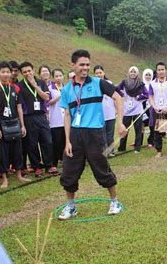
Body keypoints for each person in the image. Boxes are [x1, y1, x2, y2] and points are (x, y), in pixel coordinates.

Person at [58, 49, 127, 220]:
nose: (85, 68)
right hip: (75, 135)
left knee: (102, 169)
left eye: (88, 64)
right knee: (69, 172)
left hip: (96, 135)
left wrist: (120, 122)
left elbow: (118, 98)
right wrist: (67, 141)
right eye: (82, 65)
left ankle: (114, 202)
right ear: (73, 65)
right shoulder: (67, 89)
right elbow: (67, 116)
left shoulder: (98, 83)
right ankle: (71, 207)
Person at [0, 61, 30, 189]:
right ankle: (4, 179)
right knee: (2, 152)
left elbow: (19, 108)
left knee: (17, 150)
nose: (6, 74)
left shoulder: (16, 88)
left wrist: (22, 125)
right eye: (3, 72)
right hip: (1, 122)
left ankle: (19, 175)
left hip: (14, 122)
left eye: (8, 71)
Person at [18, 62, 58, 177]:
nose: (27, 73)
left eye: (29, 71)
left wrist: (34, 85)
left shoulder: (41, 82)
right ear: (22, 73)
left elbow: (46, 98)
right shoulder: (20, 86)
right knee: (32, 143)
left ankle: (49, 165)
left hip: (41, 115)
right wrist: (22, 124)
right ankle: (36, 167)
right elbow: (19, 106)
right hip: (28, 117)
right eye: (24, 72)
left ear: (33, 70)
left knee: (47, 141)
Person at [116, 67, 148, 153]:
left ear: (137, 73)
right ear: (129, 73)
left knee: (138, 129)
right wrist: (122, 94)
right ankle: (122, 147)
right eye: (131, 72)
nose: (133, 73)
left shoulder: (141, 84)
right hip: (127, 109)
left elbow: (147, 94)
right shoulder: (124, 82)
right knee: (125, 129)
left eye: (135, 72)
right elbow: (116, 89)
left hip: (137, 109)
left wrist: (140, 97)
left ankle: (137, 148)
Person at [149, 62, 167, 158]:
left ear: (166, 70)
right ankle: (158, 151)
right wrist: (154, 107)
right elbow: (150, 96)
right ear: (156, 71)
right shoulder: (152, 83)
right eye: (159, 70)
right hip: (157, 110)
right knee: (157, 131)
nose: (161, 71)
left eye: (162, 69)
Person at [94, 65, 117, 157]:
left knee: (110, 134)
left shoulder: (109, 83)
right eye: (97, 73)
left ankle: (111, 151)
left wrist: (116, 109)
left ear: (104, 73)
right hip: (99, 114)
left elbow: (115, 98)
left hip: (110, 113)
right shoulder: (94, 84)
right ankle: (104, 152)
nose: (99, 74)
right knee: (101, 134)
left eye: (100, 72)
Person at [47, 68, 66, 168]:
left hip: (66, 120)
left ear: (63, 76)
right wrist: (59, 96)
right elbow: (48, 102)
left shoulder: (66, 87)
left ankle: (65, 160)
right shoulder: (50, 88)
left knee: (65, 141)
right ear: (53, 78)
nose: (58, 78)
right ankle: (54, 162)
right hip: (55, 120)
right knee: (56, 142)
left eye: (60, 76)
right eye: (56, 76)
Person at [142, 68, 154, 149]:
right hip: (142, 106)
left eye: (150, 75)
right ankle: (138, 141)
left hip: (151, 106)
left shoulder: (153, 84)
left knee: (151, 124)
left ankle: (151, 141)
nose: (148, 76)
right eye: (146, 74)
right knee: (141, 124)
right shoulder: (141, 84)